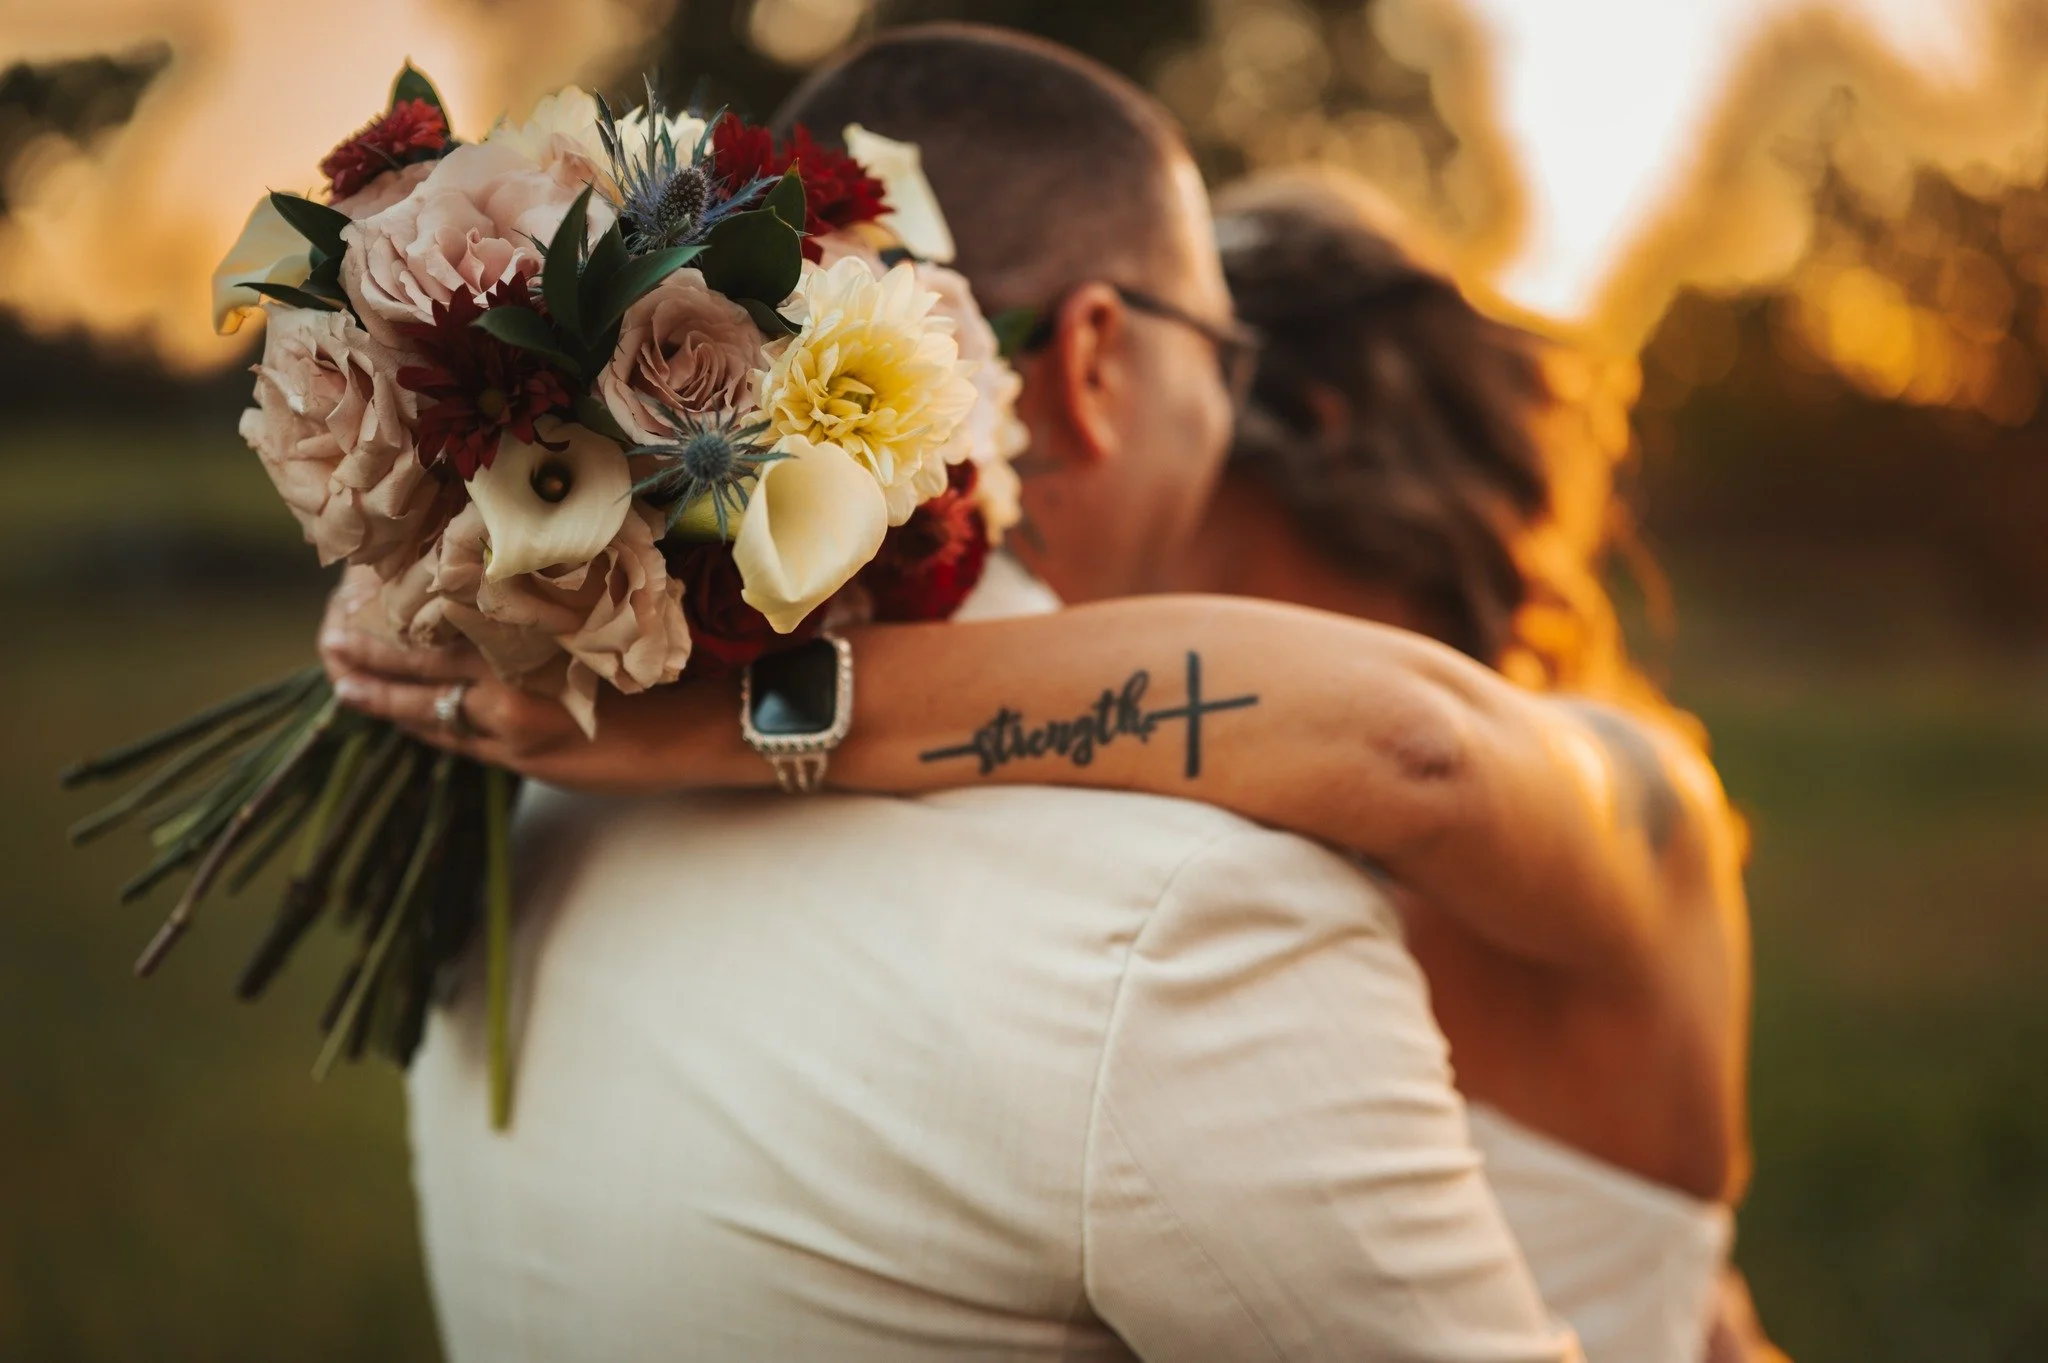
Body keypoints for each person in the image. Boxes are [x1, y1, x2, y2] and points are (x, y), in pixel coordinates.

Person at [328, 25, 1586, 1363]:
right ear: (1097, 360)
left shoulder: (535, 824)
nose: (1233, 425)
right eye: (1222, 357)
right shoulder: (1191, 921)